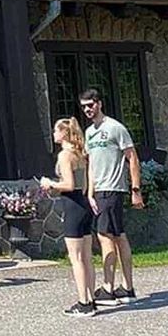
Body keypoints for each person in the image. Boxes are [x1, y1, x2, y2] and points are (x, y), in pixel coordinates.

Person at [80, 88, 144, 304]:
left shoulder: (115, 128)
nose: (87, 110)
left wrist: (136, 189)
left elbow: (132, 158)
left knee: (105, 235)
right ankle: (127, 288)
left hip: (113, 188)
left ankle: (108, 288)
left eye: (90, 105)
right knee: (118, 235)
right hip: (99, 190)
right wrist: (90, 192)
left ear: (99, 104)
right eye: (84, 107)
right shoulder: (89, 132)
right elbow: (90, 164)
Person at [40, 117, 97, 316]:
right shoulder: (80, 153)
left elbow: (69, 185)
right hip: (83, 203)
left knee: (76, 258)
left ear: (64, 133)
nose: (54, 134)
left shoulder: (65, 155)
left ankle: (84, 303)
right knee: (87, 256)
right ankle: (91, 298)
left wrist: (50, 183)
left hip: (73, 205)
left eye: (56, 130)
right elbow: (85, 181)